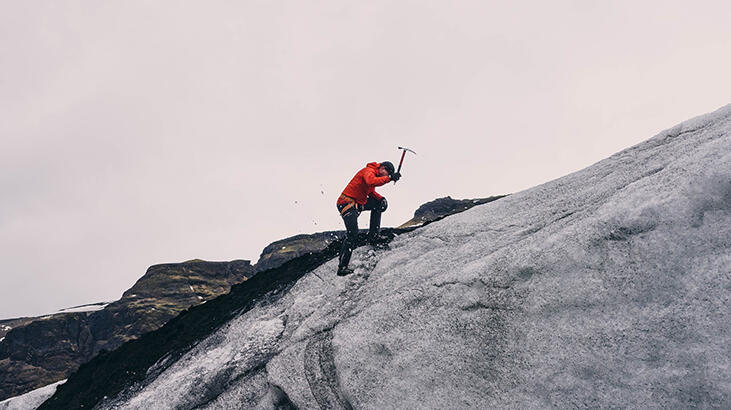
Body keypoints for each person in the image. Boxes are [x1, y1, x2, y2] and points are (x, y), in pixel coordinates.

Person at [336, 161, 401, 276]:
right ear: (382, 168)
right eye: (386, 173)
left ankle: (373, 237)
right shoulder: (368, 171)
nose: (385, 176)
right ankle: (342, 267)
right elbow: (370, 181)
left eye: (387, 175)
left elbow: (371, 191)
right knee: (353, 233)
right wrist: (390, 178)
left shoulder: (374, 174)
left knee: (379, 204)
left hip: (357, 204)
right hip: (346, 203)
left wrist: (381, 199)